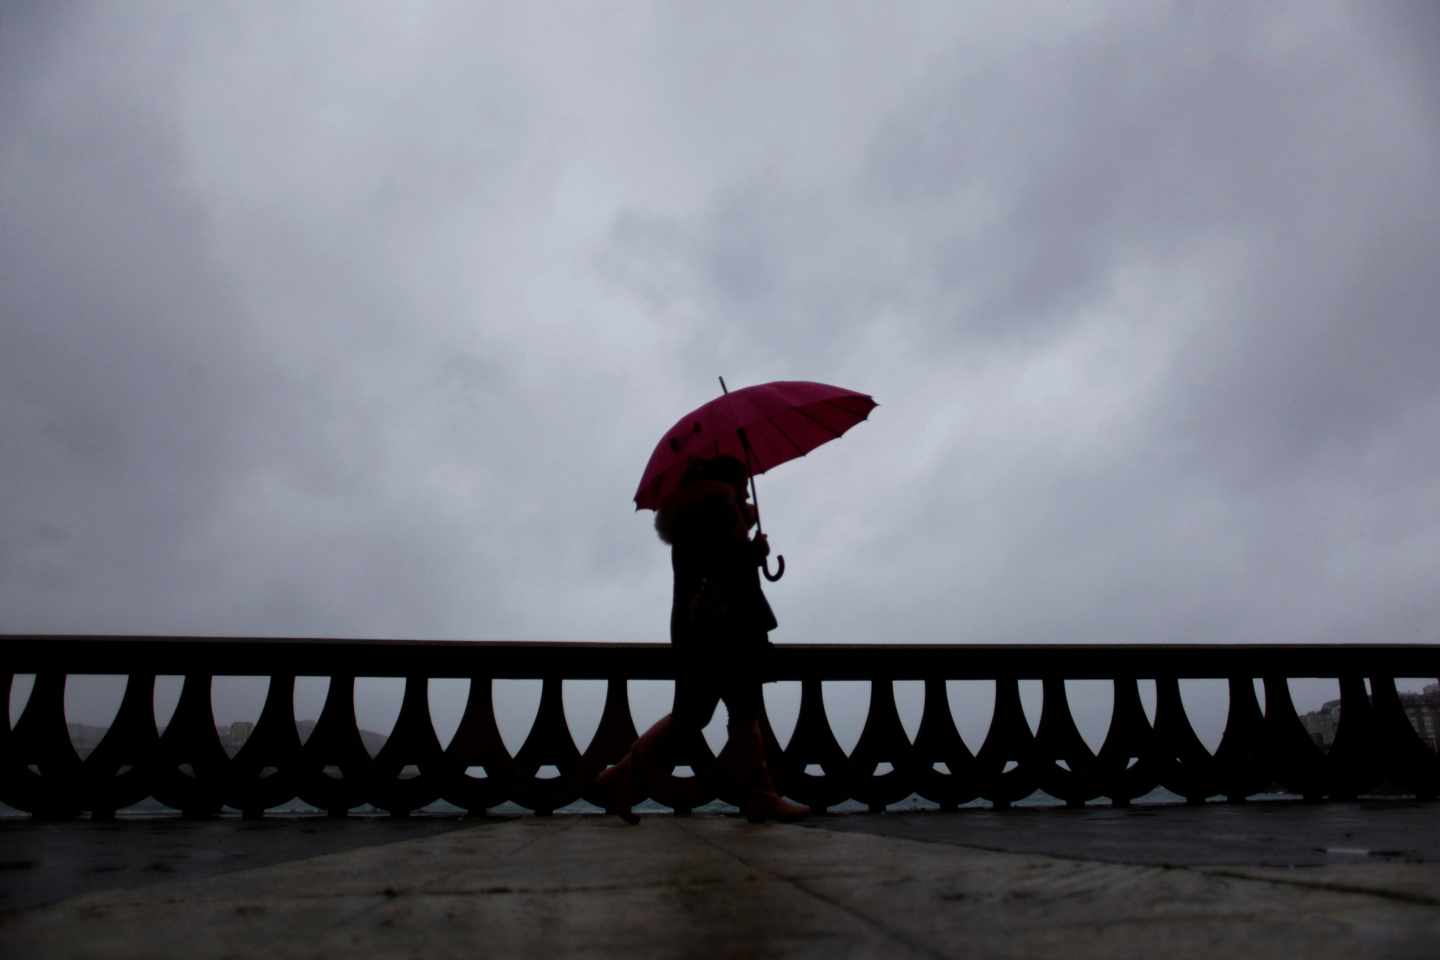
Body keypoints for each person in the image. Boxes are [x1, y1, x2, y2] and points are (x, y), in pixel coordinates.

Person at [596, 455, 810, 824]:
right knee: (734, 711)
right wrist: (751, 550)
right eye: (743, 482)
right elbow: (725, 568)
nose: (746, 489)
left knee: (697, 715)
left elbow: (709, 565)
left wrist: (744, 536)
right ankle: (759, 797)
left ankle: (618, 780)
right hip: (724, 632)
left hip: (698, 632)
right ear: (728, 481)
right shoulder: (718, 507)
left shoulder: (694, 512)